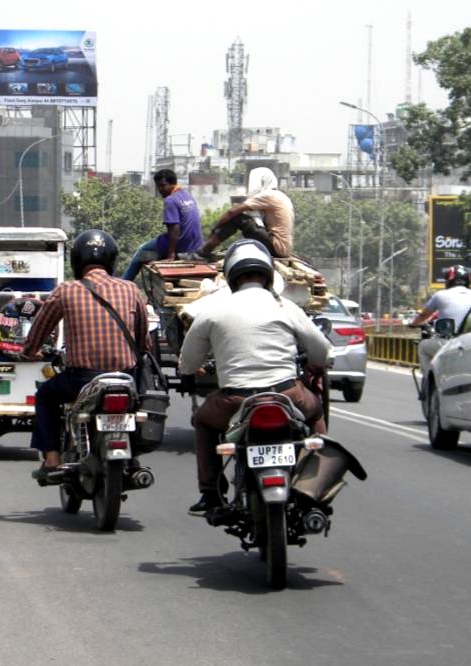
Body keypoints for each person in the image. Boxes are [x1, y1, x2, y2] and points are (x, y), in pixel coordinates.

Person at [178, 239, 331, 514]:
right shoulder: (286, 307)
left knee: (202, 422)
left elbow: (188, 362)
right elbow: (321, 352)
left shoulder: (211, 309)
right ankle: (315, 486)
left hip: (235, 400)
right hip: (287, 394)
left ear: (232, 275)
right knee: (316, 413)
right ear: (268, 274)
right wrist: (318, 363)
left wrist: (190, 372)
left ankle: (211, 493)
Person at [22, 229, 148, 481]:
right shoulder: (131, 289)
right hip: (125, 379)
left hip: (82, 381)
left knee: (45, 396)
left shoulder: (66, 291)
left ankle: (52, 458)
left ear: (77, 260)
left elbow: (39, 330)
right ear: (111, 259)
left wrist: (29, 351)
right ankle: (132, 456)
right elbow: (143, 338)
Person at [186, 167, 293, 260]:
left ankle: (202, 253)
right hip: (282, 249)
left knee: (239, 218)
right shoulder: (280, 196)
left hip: (276, 247)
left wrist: (216, 227)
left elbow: (232, 211)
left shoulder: (269, 196)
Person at [121, 169, 203, 281]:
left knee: (141, 251)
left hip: (182, 243)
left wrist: (171, 255)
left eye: (163, 186)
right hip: (195, 244)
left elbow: (175, 228)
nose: (160, 190)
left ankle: (124, 282)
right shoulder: (187, 195)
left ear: (172, 183)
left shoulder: (170, 200)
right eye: (158, 186)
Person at [411, 264, 471, 372]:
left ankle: (428, 380)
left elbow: (423, 315)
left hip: (449, 343)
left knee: (423, 347)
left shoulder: (440, 295)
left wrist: (413, 324)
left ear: (449, 280)